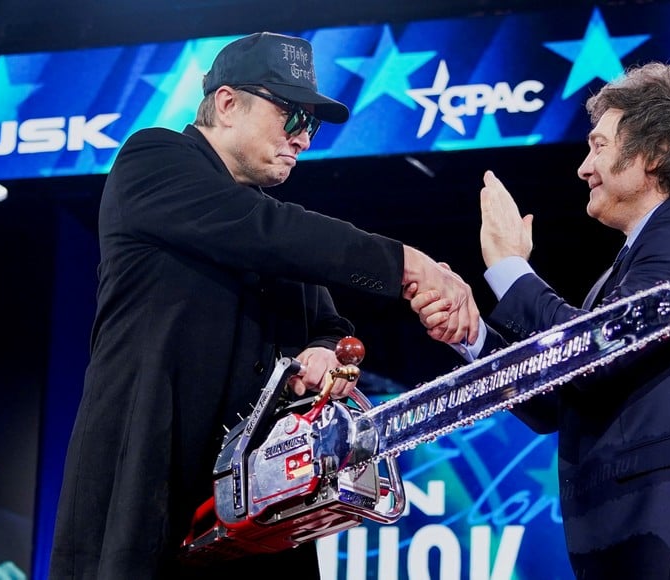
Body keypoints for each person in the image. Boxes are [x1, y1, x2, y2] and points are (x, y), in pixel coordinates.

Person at [48, 31, 478, 580]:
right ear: (227, 104)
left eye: (313, 125)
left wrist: (325, 354)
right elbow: (266, 231)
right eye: (291, 116)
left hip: (259, 514)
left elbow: (328, 324)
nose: (303, 138)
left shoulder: (273, 227)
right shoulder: (152, 161)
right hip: (151, 482)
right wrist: (410, 265)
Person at [407, 62, 670, 579]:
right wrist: (474, 336)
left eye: (598, 145)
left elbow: (593, 355)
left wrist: (509, 268)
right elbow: (562, 399)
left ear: (656, 151)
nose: (583, 167)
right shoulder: (622, 272)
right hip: (633, 542)